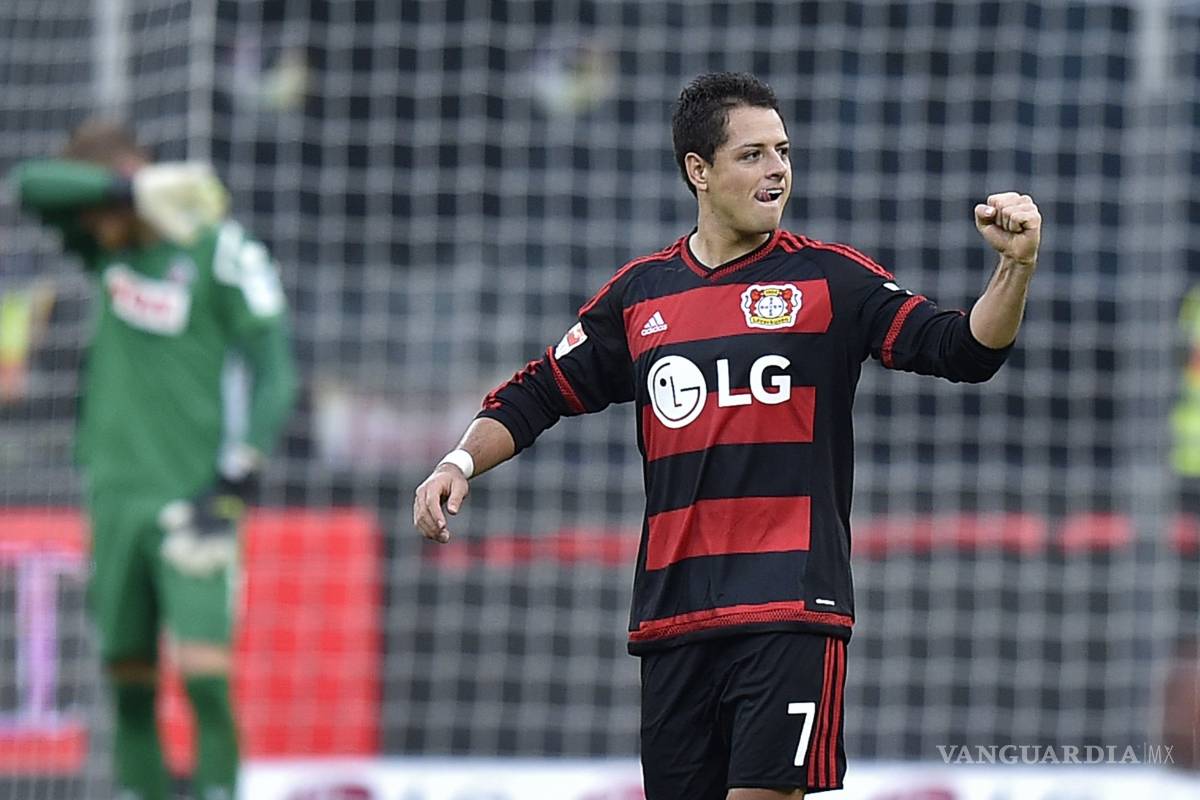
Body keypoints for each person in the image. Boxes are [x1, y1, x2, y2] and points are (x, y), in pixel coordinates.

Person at [413, 72, 1040, 799]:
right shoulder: (642, 296)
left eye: (783, 150)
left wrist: (1013, 267)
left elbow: (964, 350)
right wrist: (459, 460)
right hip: (673, 620)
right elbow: (537, 392)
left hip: (788, 613)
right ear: (698, 171)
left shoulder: (831, 282)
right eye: (752, 155)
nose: (777, 168)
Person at [10, 120, 298, 800]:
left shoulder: (216, 250)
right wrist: (127, 188)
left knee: (203, 674)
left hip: (193, 495)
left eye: (106, 210)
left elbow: (275, 370)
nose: (96, 225)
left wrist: (238, 477)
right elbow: (30, 187)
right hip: (113, 497)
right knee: (127, 680)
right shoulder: (105, 246)